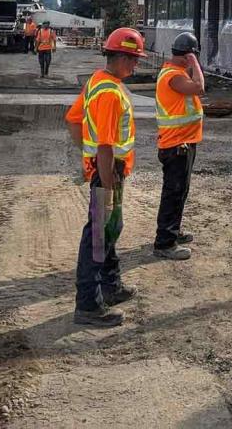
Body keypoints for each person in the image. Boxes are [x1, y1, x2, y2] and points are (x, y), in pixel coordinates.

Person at [64, 27, 144, 327]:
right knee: (99, 236)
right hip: (110, 172)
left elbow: (73, 120)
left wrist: (90, 159)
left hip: (105, 169)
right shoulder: (109, 93)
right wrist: (106, 181)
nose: (136, 65)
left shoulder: (97, 81)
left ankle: (111, 285)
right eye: (134, 59)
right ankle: (88, 305)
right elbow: (106, 145)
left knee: (110, 228)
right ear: (121, 57)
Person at [153, 31, 204, 261]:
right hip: (176, 144)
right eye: (194, 56)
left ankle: (173, 230)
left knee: (180, 191)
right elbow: (199, 87)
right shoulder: (173, 75)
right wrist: (195, 63)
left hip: (183, 142)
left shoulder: (177, 72)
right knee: (173, 193)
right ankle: (165, 242)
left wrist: (190, 63)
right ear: (188, 55)